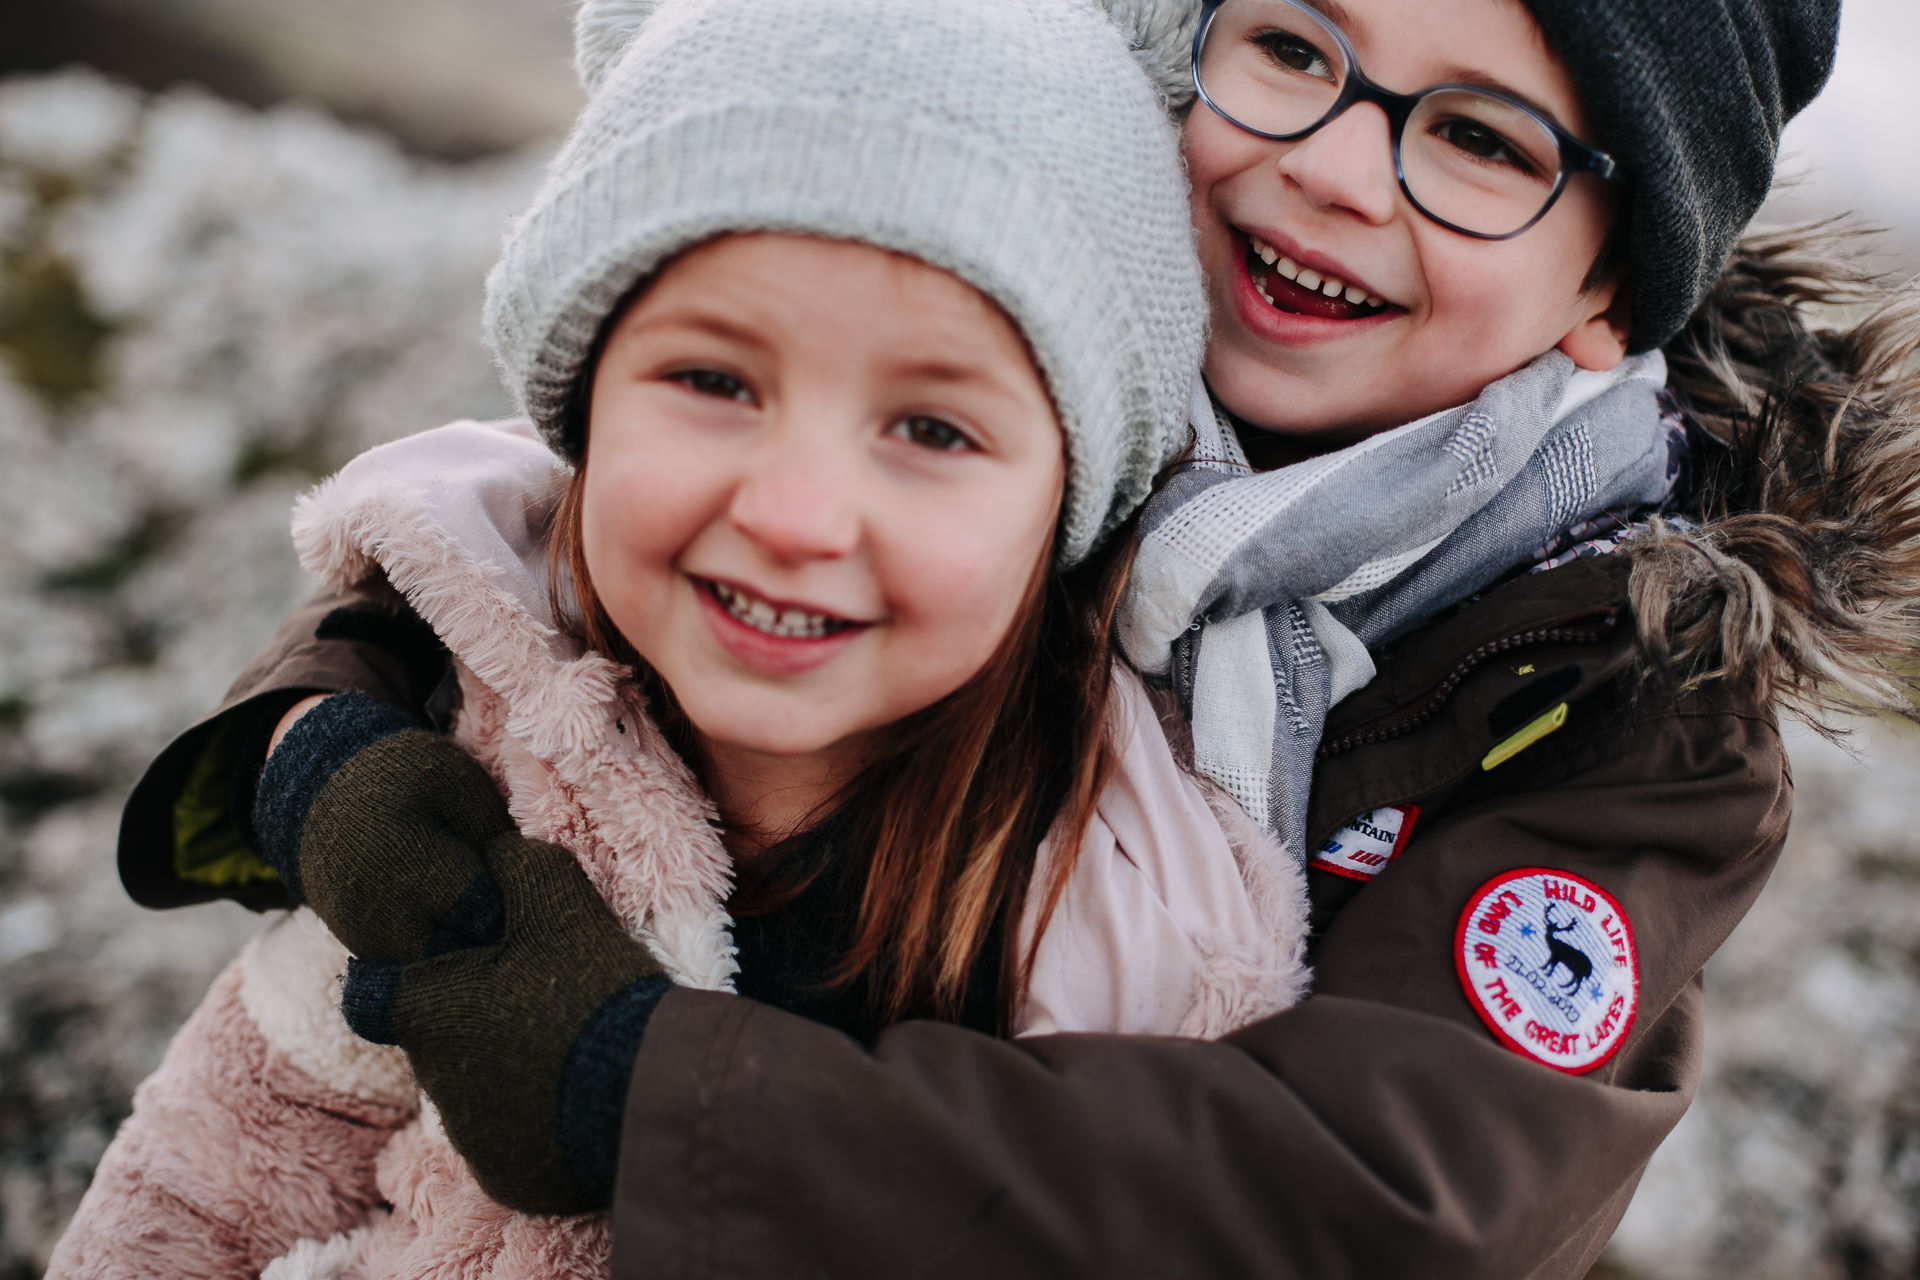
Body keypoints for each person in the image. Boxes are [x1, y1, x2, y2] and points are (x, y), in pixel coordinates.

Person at [93, 0, 1920, 1275]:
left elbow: (1384, 1204)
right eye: (1295, 47)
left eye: (1479, 140)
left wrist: (653, 1093)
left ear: (1615, 284)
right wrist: (323, 730)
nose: (1345, 171)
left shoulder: (1625, 706)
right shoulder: (1063, 346)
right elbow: (568, 494)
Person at [46, 1, 1314, 1276]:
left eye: (933, 430)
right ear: (579, 407)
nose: (795, 514)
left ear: (1071, 509)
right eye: (716, 382)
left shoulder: (1138, 949)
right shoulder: (467, 757)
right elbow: (217, 1169)